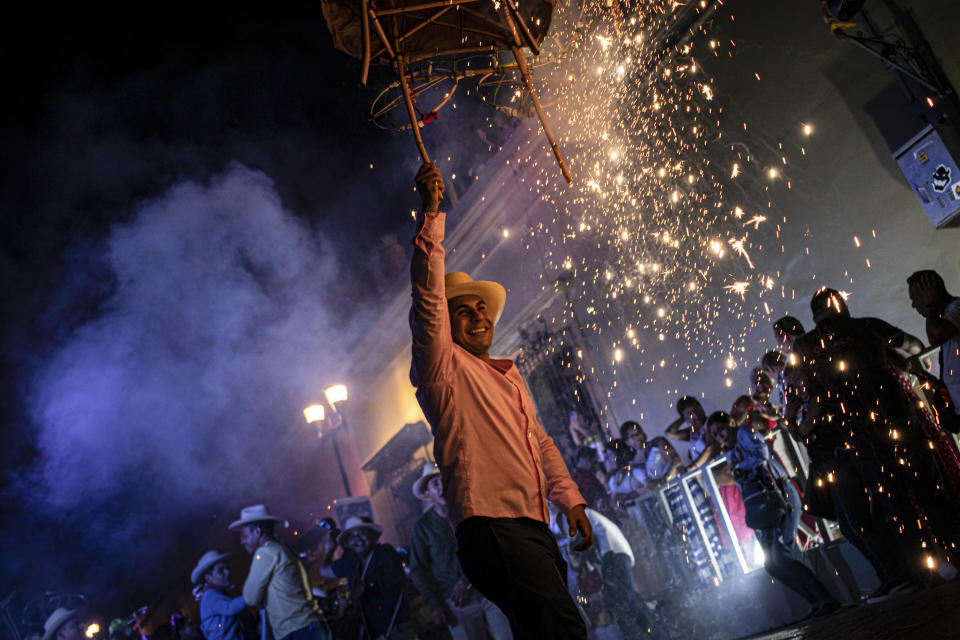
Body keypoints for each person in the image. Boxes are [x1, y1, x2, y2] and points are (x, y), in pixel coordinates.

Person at [409, 162, 591, 639]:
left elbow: (541, 443)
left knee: (545, 629)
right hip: (492, 526)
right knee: (563, 629)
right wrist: (431, 214)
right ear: (445, 328)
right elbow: (427, 301)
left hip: (531, 524)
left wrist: (569, 501)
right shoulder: (442, 370)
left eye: (480, 308)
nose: (477, 316)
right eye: (462, 312)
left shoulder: (509, 376)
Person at [732, 425, 841, 616]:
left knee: (782, 556)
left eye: (721, 429)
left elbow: (762, 454)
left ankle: (825, 599)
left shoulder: (745, 436)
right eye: (715, 434)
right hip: (766, 507)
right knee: (772, 564)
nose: (720, 436)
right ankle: (816, 601)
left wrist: (742, 467)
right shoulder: (735, 453)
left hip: (781, 496)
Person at [407, 463, 512, 640]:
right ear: (427, 494)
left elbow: (487, 547)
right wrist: (435, 605)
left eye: (445, 480)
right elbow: (418, 569)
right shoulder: (423, 528)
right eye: (435, 484)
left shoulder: (470, 511)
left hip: (488, 589)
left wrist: (466, 581)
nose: (443, 487)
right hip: (456, 602)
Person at [229, 504, 329, 640]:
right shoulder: (282, 549)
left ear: (257, 532)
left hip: (298, 631)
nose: (242, 542)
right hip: (310, 627)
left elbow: (250, 597)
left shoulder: (265, 552)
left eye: (244, 536)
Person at [325, 516, 412, 639]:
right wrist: (329, 550)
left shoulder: (385, 554)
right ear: (348, 544)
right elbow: (324, 571)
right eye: (352, 536)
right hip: (376, 632)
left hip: (397, 628)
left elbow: (395, 589)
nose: (358, 539)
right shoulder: (353, 565)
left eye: (362, 533)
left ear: (371, 536)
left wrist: (367, 590)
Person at [907, 270, 960, 410]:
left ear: (930, 292)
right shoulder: (946, 317)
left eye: (915, 298)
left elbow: (935, 337)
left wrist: (931, 305)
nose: (913, 305)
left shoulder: (958, 307)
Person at [192, 550, 246, 640]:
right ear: (208, 578)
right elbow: (230, 608)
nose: (227, 572)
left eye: (227, 568)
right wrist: (251, 595)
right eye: (221, 571)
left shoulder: (214, 594)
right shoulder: (210, 596)